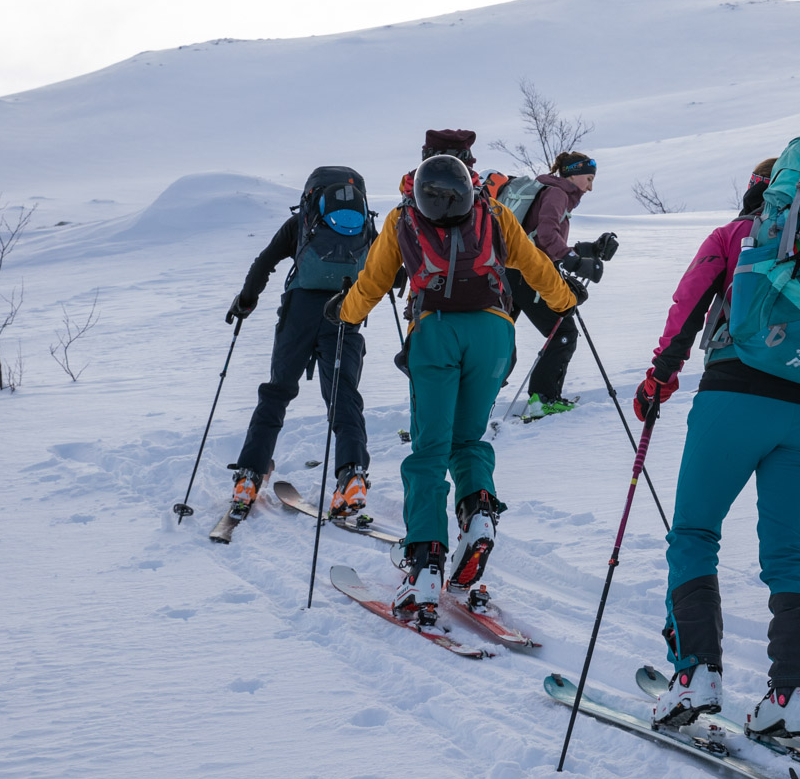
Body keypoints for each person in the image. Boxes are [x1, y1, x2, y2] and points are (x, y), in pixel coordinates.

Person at [635, 153, 800, 741]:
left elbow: (687, 308)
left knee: (695, 534)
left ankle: (695, 676)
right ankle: (794, 695)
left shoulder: (736, 237)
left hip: (734, 401)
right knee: (788, 554)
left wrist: (660, 380)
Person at [331, 154, 577, 623]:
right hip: (494, 332)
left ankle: (424, 567)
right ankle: (478, 515)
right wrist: (564, 300)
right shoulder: (495, 211)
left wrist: (346, 313)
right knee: (467, 441)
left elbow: (374, 279)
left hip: (436, 333)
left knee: (429, 451)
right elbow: (534, 263)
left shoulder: (403, 218)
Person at [223, 166, 375, 525]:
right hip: (345, 312)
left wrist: (246, 300)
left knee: (276, 393)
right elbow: (391, 269)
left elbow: (265, 262)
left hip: (299, 312)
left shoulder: (302, 223)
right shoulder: (367, 227)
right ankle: (352, 476)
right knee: (343, 396)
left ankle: (249, 477)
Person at [511, 150, 599, 413]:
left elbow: (542, 237)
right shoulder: (558, 193)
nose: (590, 187)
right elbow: (547, 236)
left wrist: (588, 250)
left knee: (498, 336)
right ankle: (543, 400)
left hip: (512, 271)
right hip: (528, 273)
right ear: (573, 175)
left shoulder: (550, 190)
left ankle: (472, 402)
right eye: (588, 179)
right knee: (563, 331)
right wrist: (571, 260)